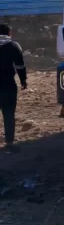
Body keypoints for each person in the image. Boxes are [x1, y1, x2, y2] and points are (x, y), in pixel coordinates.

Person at [0, 23, 27, 152]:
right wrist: (23, 80)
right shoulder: (13, 46)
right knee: (9, 114)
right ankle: (9, 143)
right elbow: (20, 65)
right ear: (9, 33)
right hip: (8, 85)